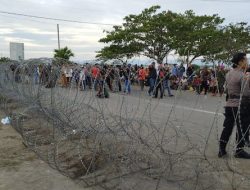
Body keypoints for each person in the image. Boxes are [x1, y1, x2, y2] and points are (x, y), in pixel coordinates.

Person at [218, 52, 250, 159]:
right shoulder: (243, 75)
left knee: (227, 127)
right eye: (246, 60)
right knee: (242, 128)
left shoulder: (229, 73)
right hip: (240, 106)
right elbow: (246, 93)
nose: (247, 62)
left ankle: (221, 150)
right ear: (240, 62)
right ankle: (239, 150)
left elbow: (227, 89)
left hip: (229, 104)